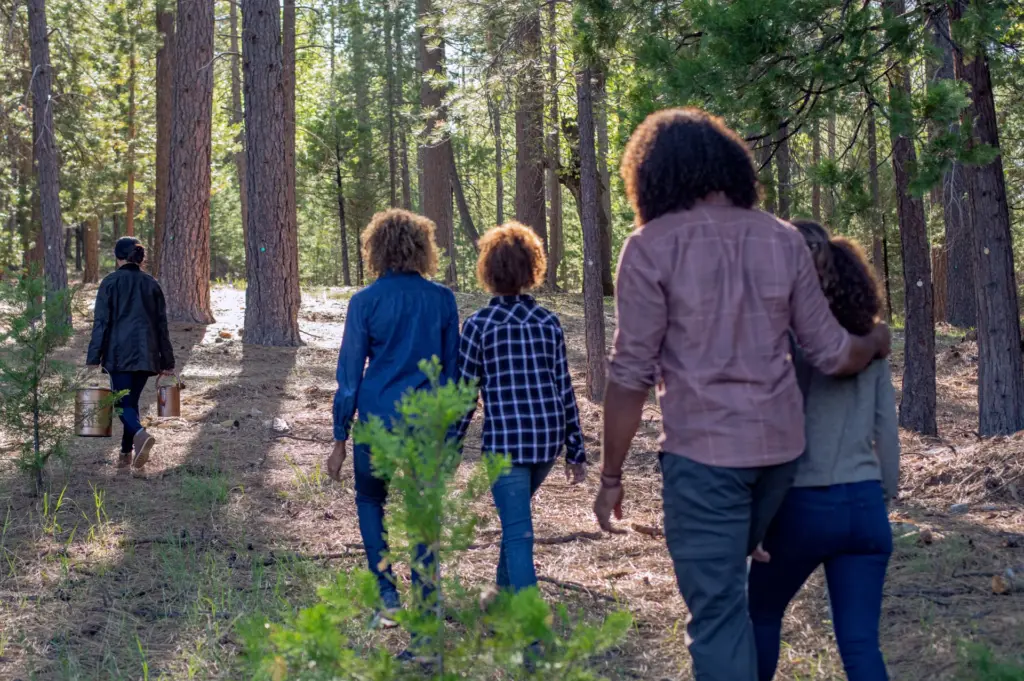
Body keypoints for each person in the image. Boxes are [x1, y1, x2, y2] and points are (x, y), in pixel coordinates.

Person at [593, 108, 892, 681]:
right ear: (730, 167)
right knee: (736, 596)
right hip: (779, 459)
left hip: (705, 461)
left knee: (718, 616)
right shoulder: (780, 238)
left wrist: (611, 476)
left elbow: (630, 374)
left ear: (652, 176)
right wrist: (875, 339)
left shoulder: (651, 246)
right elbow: (832, 353)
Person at [748, 225, 899, 681]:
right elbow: (886, 430)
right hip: (865, 506)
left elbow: (766, 431)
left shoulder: (788, 341)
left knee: (760, 614)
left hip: (803, 505)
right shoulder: (872, 343)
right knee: (859, 646)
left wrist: (754, 517)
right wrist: (884, 494)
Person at [327, 209, 460, 628]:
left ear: (376, 249)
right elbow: (453, 373)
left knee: (370, 500)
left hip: (376, 419)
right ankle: (426, 601)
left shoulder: (364, 302)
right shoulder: (442, 299)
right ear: (423, 249)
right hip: (426, 424)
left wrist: (339, 439)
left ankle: (386, 597)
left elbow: (349, 376)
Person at [453, 223, 588, 596]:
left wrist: (450, 445)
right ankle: (499, 601)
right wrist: (575, 451)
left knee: (518, 534)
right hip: (547, 440)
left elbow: (465, 395)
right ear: (532, 269)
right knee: (517, 526)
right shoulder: (548, 322)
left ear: (488, 270)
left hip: (506, 446)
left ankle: (529, 632)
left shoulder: (479, 326)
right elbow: (564, 388)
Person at [86, 236, 175, 470]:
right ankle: (127, 455)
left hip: (119, 355)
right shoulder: (152, 283)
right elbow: (161, 325)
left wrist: (94, 357)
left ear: (118, 257)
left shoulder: (110, 282)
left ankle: (140, 434)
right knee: (130, 403)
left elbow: (101, 322)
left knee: (119, 405)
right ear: (139, 258)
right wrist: (167, 360)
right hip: (147, 356)